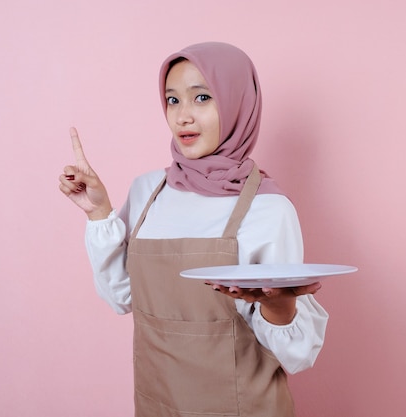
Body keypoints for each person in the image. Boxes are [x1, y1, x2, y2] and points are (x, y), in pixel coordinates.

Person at [59, 42, 328, 417]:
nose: (182, 116)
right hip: (157, 403)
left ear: (238, 104)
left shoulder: (268, 209)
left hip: (241, 407)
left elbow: (297, 355)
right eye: (172, 100)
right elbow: (122, 297)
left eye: (201, 97)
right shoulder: (147, 192)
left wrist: (281, 307)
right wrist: (99, 213)